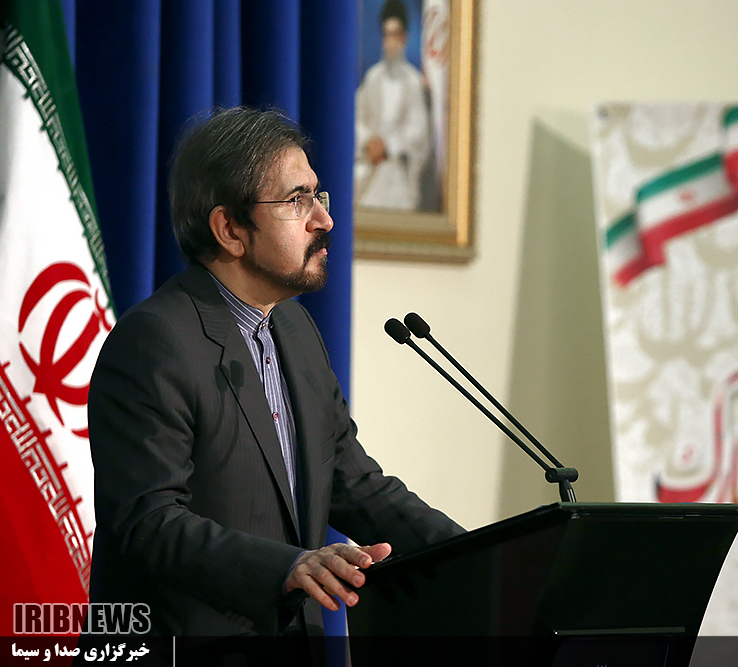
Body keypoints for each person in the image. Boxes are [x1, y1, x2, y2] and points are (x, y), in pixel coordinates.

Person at [87, 106, 464, 639]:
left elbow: (355, 484)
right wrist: (286, 568)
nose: (324, 220)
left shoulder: (295, 330)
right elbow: (147, 522)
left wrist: (481, 553)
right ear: (229, 229)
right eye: (296, 200)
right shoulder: (155, 342)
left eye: (318, 195)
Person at [354, 0, 431, 210]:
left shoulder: (413, 82)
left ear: (404, 37)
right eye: (386, 35)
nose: (390, 42)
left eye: (395, 34)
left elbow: (418, 130)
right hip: (370, 172)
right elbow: (357, 118)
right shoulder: (373, 77)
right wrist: (369, 141)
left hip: (398, 176)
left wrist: (388, 146)